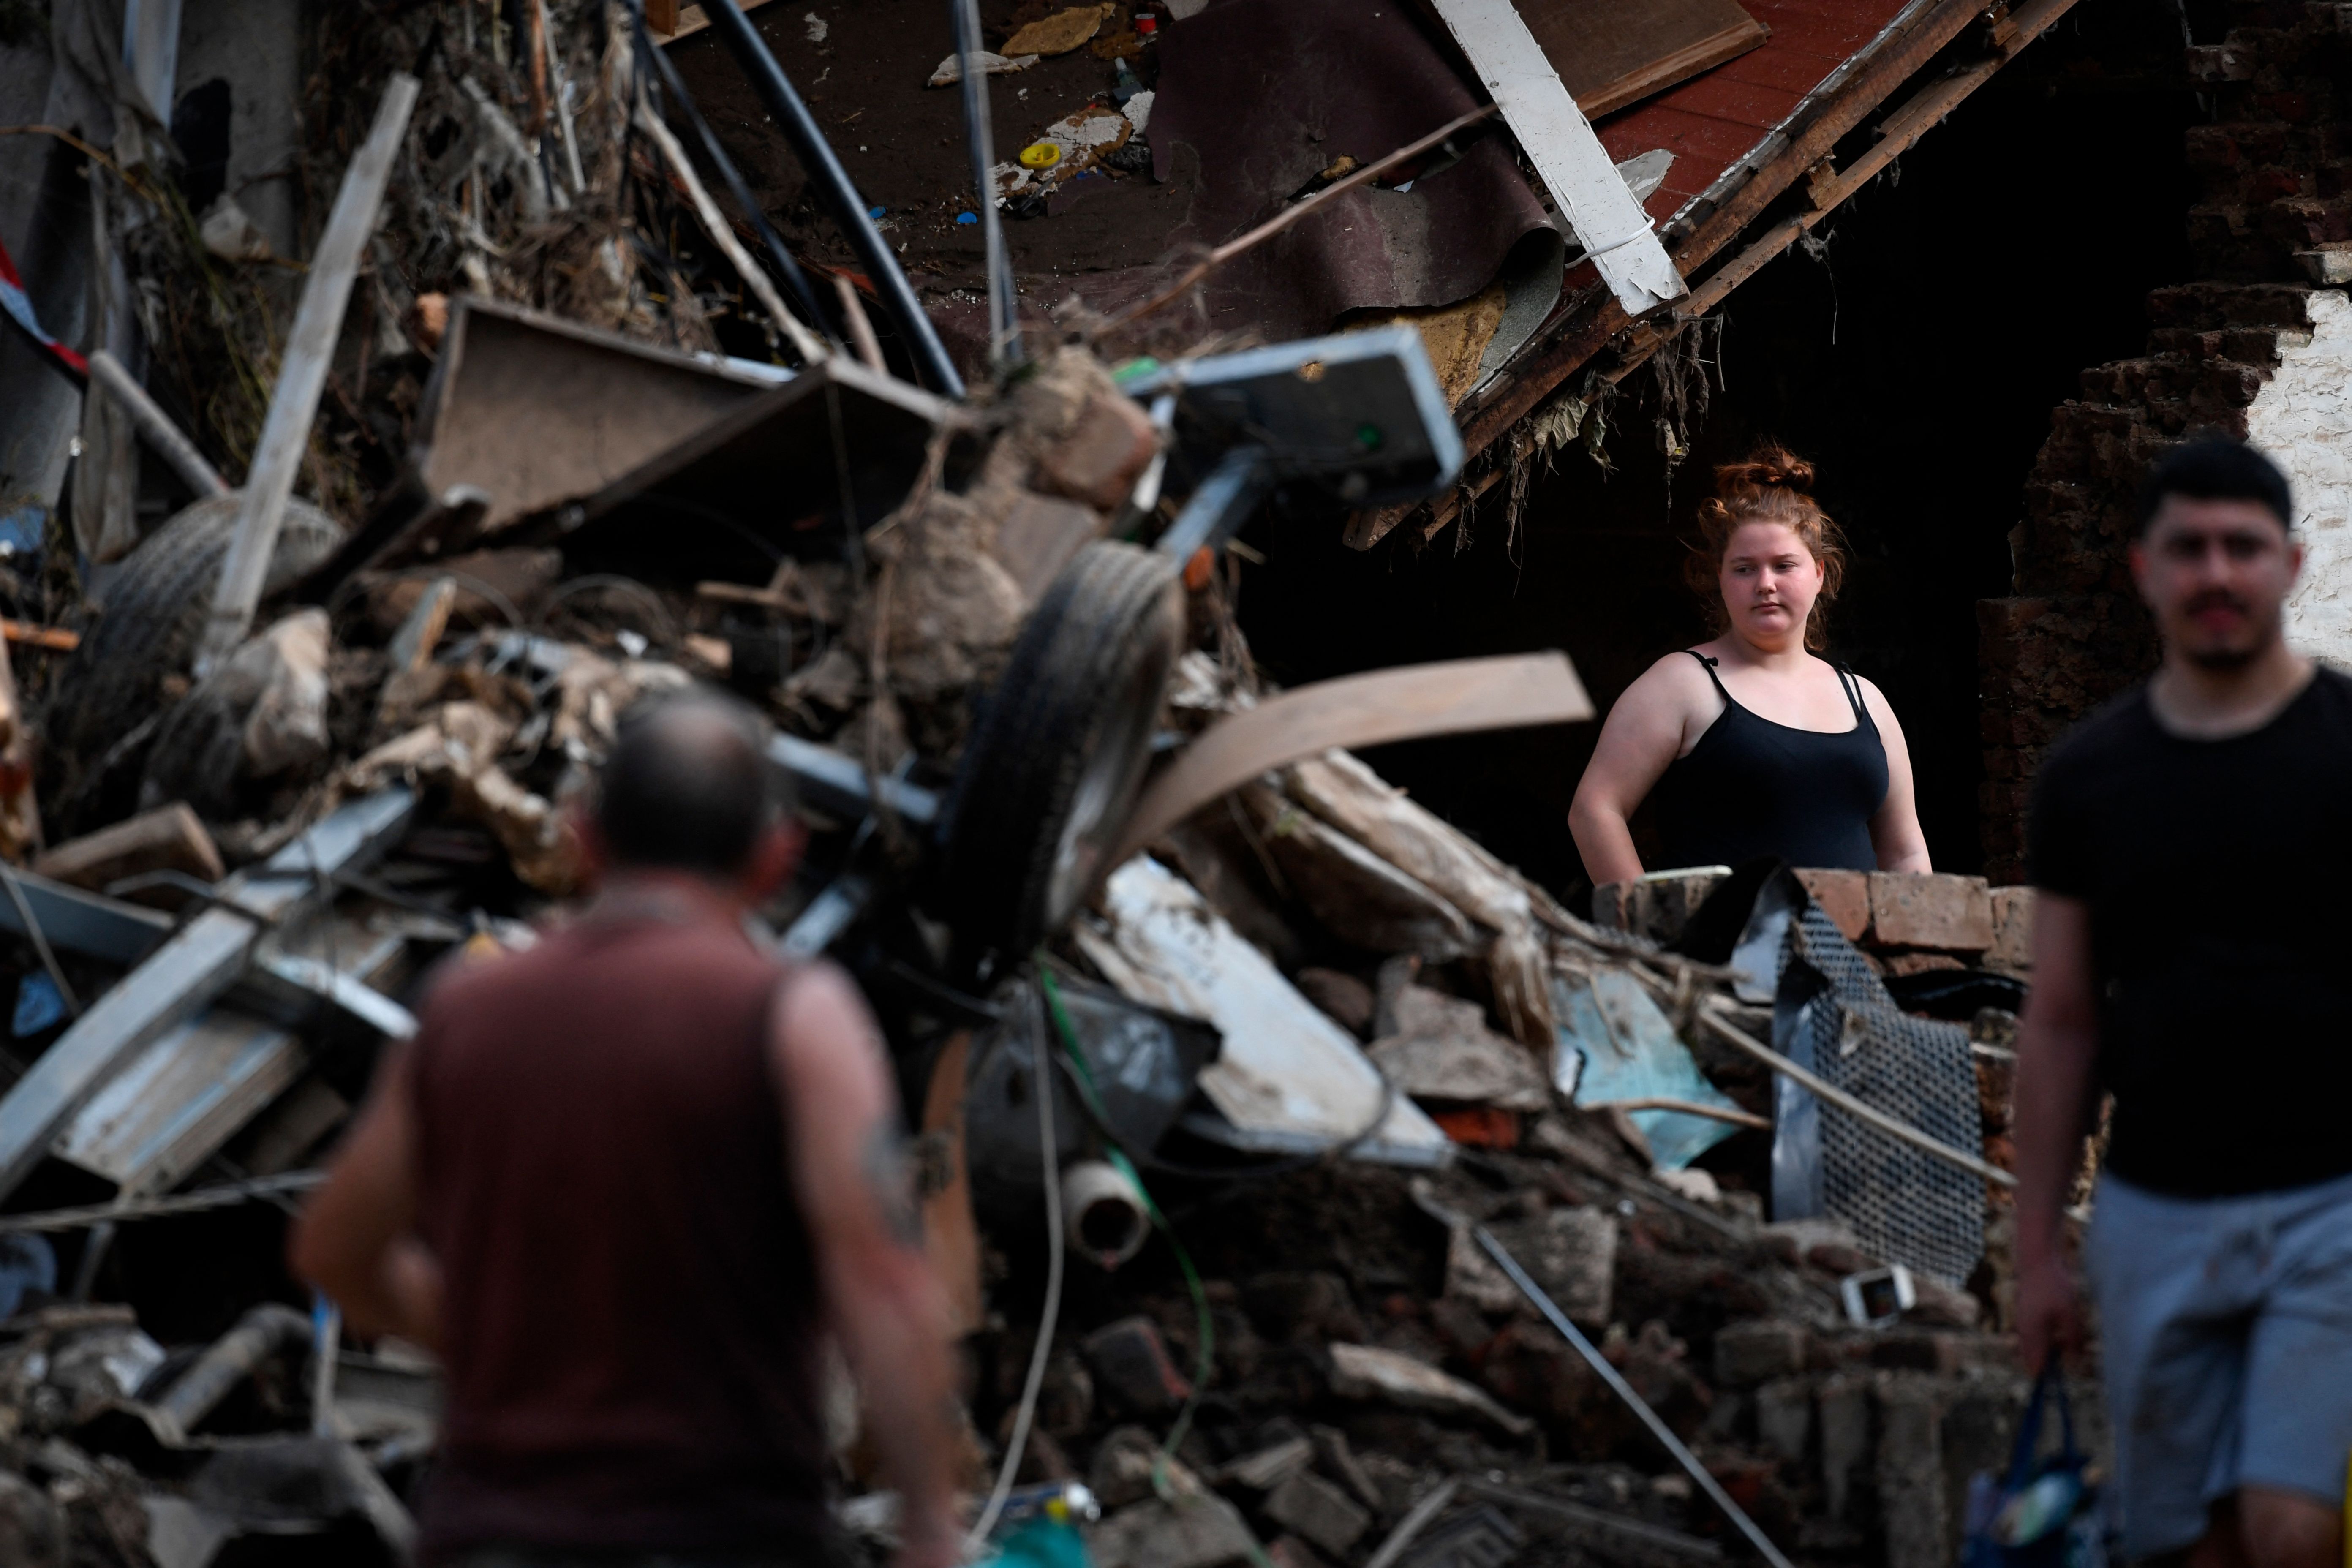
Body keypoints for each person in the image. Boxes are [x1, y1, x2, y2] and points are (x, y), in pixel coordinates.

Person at [292, 693, 963, 1568]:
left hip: (496, 1536)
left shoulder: (466, 1011)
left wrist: (492, 1338)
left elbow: (334, 1250)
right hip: (725, 1534)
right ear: (774, 858)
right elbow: (884, 1282)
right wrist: (931, 1533)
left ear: (583, 841)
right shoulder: (792, 1016)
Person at [2014, 436, 2350, 1568]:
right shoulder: (2087, 779)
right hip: (2153, 1213)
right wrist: (2035, 1254)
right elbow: (2061, 1018)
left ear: (2292, 564)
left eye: (2244, 548)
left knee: (2288, 1525)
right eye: (2190, 548)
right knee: (2185, 1545)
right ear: (2142, 570)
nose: (2218, 572)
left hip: (2332, 1205)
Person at [1568, 447, 1930, 883]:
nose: (1765, 584)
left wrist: (1909, 948)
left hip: (1854, 951)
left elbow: (1905, 851)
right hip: (1726, 949)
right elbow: (1594, 810)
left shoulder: (1866, 699)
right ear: (1719, 577)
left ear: (1819, 573)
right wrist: (1654, 928)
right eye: (1744, 569)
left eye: (1784, 566)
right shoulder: (1683, 683)